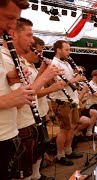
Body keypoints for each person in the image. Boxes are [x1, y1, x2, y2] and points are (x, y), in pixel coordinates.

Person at [2, 17, 62, 179]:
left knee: (30, 167)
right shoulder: (5, 59)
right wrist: (45, 77)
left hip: (23, 125)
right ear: (13, 34)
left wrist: (43, 73)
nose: (31, 40)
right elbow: (19, 101)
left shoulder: (17, 60)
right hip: (17, 127)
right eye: (29, 35)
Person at [0, 1, 33, 178]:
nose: (12, 26)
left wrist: (10, 78)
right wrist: (7, 100)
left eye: (16, 19)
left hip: (8, 134)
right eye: (9, 18)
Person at [49, 40, 85, 166]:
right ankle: (60, 155)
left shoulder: (66, 63)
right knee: (64, 129)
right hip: (62, 101)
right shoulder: (54, 64)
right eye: (67, 50)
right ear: (58, 50)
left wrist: (76, 75)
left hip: (72, 99)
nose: (69, 52)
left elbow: (70, 80)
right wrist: (75, 79)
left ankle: (68, 150)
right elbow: (59, 84)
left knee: (73, 126)